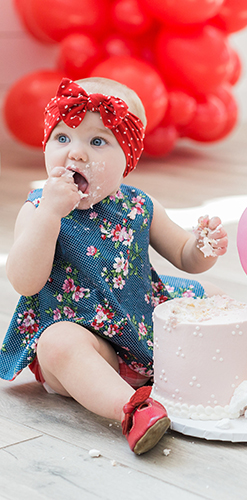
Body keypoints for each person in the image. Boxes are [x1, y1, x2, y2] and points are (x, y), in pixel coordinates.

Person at [0, 77, 228, 455]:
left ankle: (238, 358)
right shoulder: (39, 210)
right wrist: (50, 217)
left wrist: (203, 246)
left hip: (139, 317)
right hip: (89, 343)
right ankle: (133, 409)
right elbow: (25, 281)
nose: (75, 154)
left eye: (97, 141)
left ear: (128, 160)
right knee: (58, 344)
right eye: (62, 138)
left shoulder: (139, 206)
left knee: (215, 298)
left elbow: (186, 255)